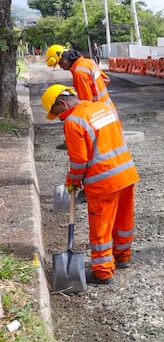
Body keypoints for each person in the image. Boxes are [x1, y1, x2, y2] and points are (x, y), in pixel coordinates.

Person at [40, 84, 140, 285]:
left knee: (101, 226)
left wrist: (72, 181)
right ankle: (123, 257)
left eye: (57, 113)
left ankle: (103, 272)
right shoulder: (103, 107)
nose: (59, 118)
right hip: (126, 173)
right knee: (123, 220)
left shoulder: (73, 121)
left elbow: (79, 161)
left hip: (103, 182)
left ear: (62, 103)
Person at [45, 44, 115, 112]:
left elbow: (86, 103)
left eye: (59, 64)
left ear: (64, 60)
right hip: (108, 108)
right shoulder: (88, 62)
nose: (61, 67)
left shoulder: (79, 73)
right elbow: (105, 79)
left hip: (98, 112)